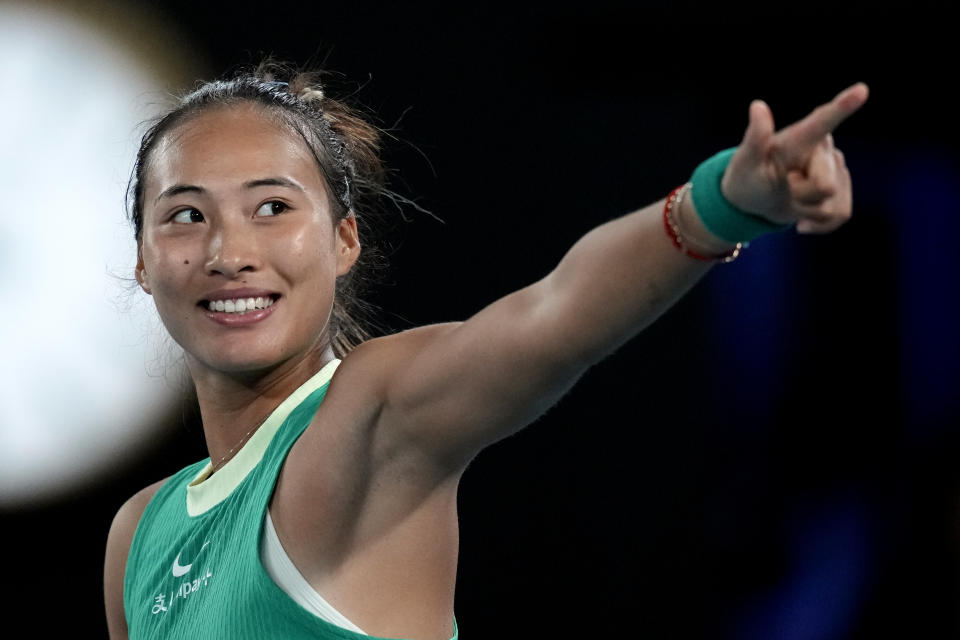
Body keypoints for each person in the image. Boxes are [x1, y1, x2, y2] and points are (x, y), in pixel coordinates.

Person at [102, 62, 869, 640]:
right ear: (141, 257)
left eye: (272, 207)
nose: (229, 251)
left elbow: (554, 316)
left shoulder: (370, 417)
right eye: (184, 215)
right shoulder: (140, 535)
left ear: (344, 240)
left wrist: (721, 204)